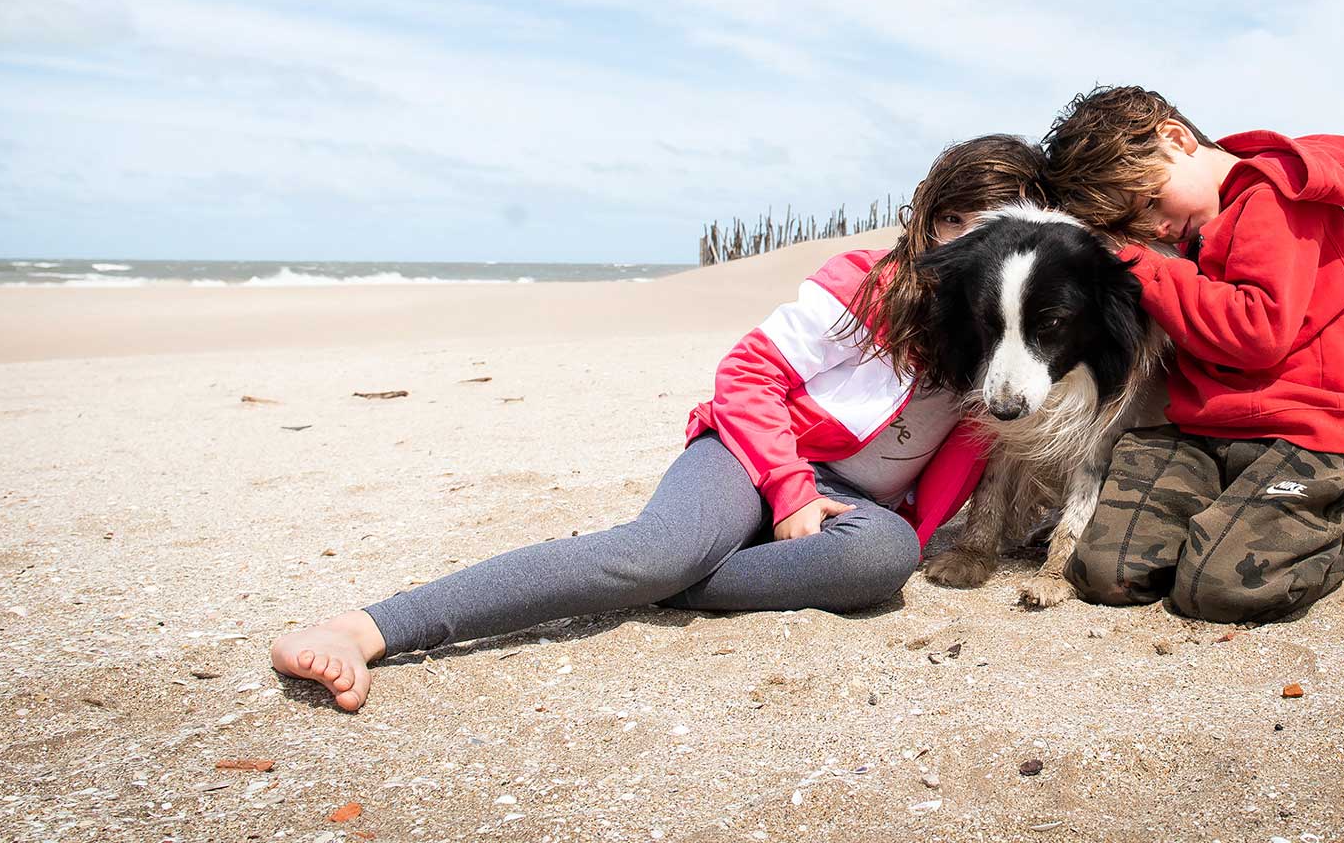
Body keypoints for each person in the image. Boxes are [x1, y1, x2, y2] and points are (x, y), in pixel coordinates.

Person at [269, 135, 1045, 709]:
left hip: (858, 509)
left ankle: (666, 575)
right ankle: (369, 627)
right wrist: (789, 493)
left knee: (886, 560)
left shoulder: (1006, 338)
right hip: (752, 455)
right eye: (973, 230)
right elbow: (748, 376)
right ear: (937, 224)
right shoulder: (863, 286)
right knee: (652, 551)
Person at [1042, 86, 1344, 624]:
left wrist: (1143, 264)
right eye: (1137, 227)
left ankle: (1340, 542)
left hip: (1308, 435)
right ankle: (1235, 521)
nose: (1157, 230)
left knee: (1221, 590)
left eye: (1149, 202)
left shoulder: (1276, 200)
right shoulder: (1199, 225)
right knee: (1103, 572)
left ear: (1176, 139)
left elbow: (1255, 330)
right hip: (1204, 435)